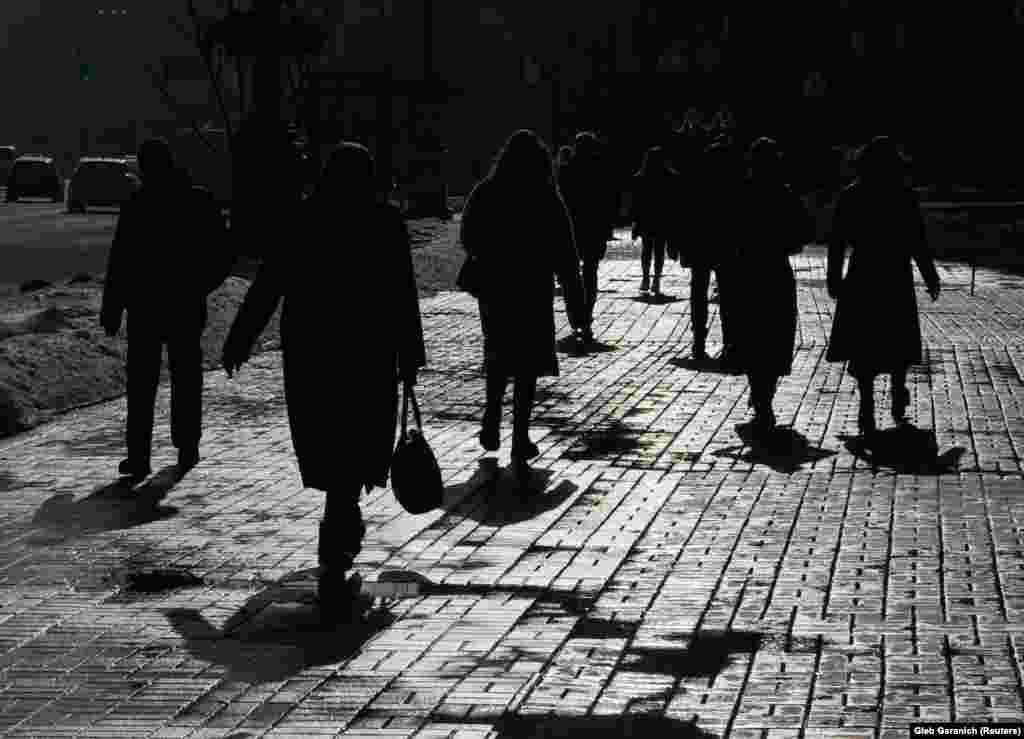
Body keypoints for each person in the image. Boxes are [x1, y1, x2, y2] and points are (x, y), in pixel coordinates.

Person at [221, 142, 426, 610]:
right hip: (368, 354)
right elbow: (402, 292)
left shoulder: (303, 218)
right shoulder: (384, 222)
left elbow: (269, 283)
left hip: (313, 355)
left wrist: (240, 338)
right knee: (354, 447)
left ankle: (339, 534)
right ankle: (339, 536)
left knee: (331, 446)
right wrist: (410, 356)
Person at [100, 137, 232, 482]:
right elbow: (222, 254)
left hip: (145, 305)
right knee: (186, 376)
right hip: (184, 304)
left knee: (142, 383)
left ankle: (139, 455)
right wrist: (198, 285)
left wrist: (113, 306)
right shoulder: (196, 200)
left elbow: (121, 261)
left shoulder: (138, 204)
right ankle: (186, 444)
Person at [460, 129, 585, 475]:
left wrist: (488, 254)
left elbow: (467, 233)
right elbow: (565, 247)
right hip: (532, 287)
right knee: (527, 363)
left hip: (496, 287)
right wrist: (574, 296)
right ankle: (519, 436)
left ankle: (491, 415)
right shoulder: (545, 196)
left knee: (498, 351)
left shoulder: (486, 191)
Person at [826, 135, 940, 437]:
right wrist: (930, 275)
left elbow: (837, 242)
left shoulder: (851, 196)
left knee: (864, 341)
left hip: (863, 273)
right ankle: (898, 388)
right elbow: (918, 241)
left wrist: (834, 277)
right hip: (895, 274)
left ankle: (866, 402)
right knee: (897, 336)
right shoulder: (904, 196)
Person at [734, 137, 814, 432]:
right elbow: (805, 232)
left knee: (751, 332)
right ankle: (764, 395)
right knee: (775, 333)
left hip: (747, 271)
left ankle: (759, 394)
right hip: (775, 270)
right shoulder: (784, 194)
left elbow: (731, 232)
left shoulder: (743, 193)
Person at [558, 131, 618, 346]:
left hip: (571, 229)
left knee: (570, 276)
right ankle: (587, 317)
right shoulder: (600, 170)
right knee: (590, 273)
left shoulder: (565, 171)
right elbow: (608, 203)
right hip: (593, 229)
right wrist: (607, 228)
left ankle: (575, 318)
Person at [688, 140, 743, 362]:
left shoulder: (699, 184)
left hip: (701, 245)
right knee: (729, 295)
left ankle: (699, 341)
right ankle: (729, 342)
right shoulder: (735, 185)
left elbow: (688, 216)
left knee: (698, 293)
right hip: (725, 245)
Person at [630, 145, 679, 295]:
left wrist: (635, 222)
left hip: (646, 219)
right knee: (659, 251)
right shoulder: (671, 178)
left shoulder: (640, 178)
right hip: (663, 219)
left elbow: (635, 204)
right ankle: (656, 280)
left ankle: (645, 279)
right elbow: (674, 202)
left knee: (646, 249)